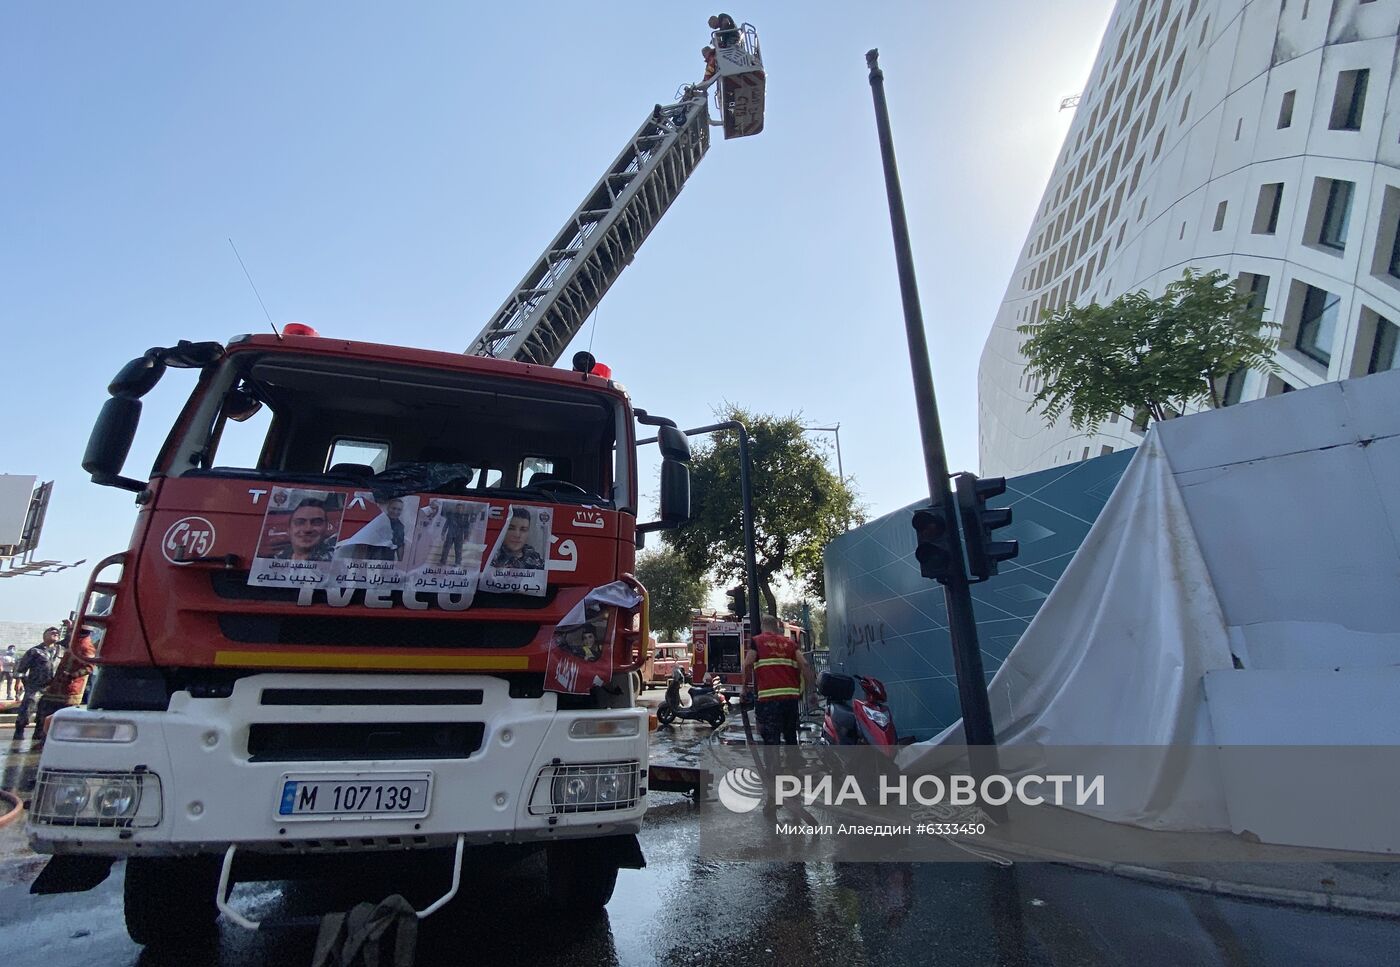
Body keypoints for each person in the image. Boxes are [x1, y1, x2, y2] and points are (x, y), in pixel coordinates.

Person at [741, 615, 813, 747]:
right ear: (777, 627)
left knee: (771, 740)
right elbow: (805, 665)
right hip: (790, 700)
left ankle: (773, 767)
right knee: (790, 737)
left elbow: (747, 664)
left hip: (769, 700)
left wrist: (744, 688)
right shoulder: (790, 643)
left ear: (763, 626)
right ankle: (793, 765)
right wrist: (810, 693)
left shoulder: (757, 641)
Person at [34, 630, 97, 744]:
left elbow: (90, 667)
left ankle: (57, 740)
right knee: (46, 709)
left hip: (70, 690)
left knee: (62, 715)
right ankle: (42, 737)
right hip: (56, 687)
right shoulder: (74, 642)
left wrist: (72, 675)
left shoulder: (86, 645)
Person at [12, 627, 61, 741]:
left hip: (52, 688)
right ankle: (19, 731)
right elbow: (21, 669)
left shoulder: (61, 651)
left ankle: (39, 736)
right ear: (44, 636)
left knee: (45, 713)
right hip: (35, 686)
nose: (55, 634)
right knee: (27, 708)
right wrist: (19, 682)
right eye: (52, 632)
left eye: (57, 633)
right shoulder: (34, 651)